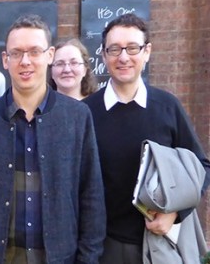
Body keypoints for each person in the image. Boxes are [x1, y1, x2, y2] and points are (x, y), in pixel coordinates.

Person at [0, 15, 105, 263]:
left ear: (50, 55)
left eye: (34, 51)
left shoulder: (77, 118)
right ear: (5, 60)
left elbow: (92, 198)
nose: (25, 61)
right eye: (16, 53)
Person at [81, 13, 210, 264]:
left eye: (132, 48)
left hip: (157, 246)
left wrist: (176, 213)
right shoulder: (85, 112)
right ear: (104, 54)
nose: (124, 57)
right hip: (101, 247)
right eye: (115, 49)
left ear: (147, 52)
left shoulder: (167, 106)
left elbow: (202, 168)